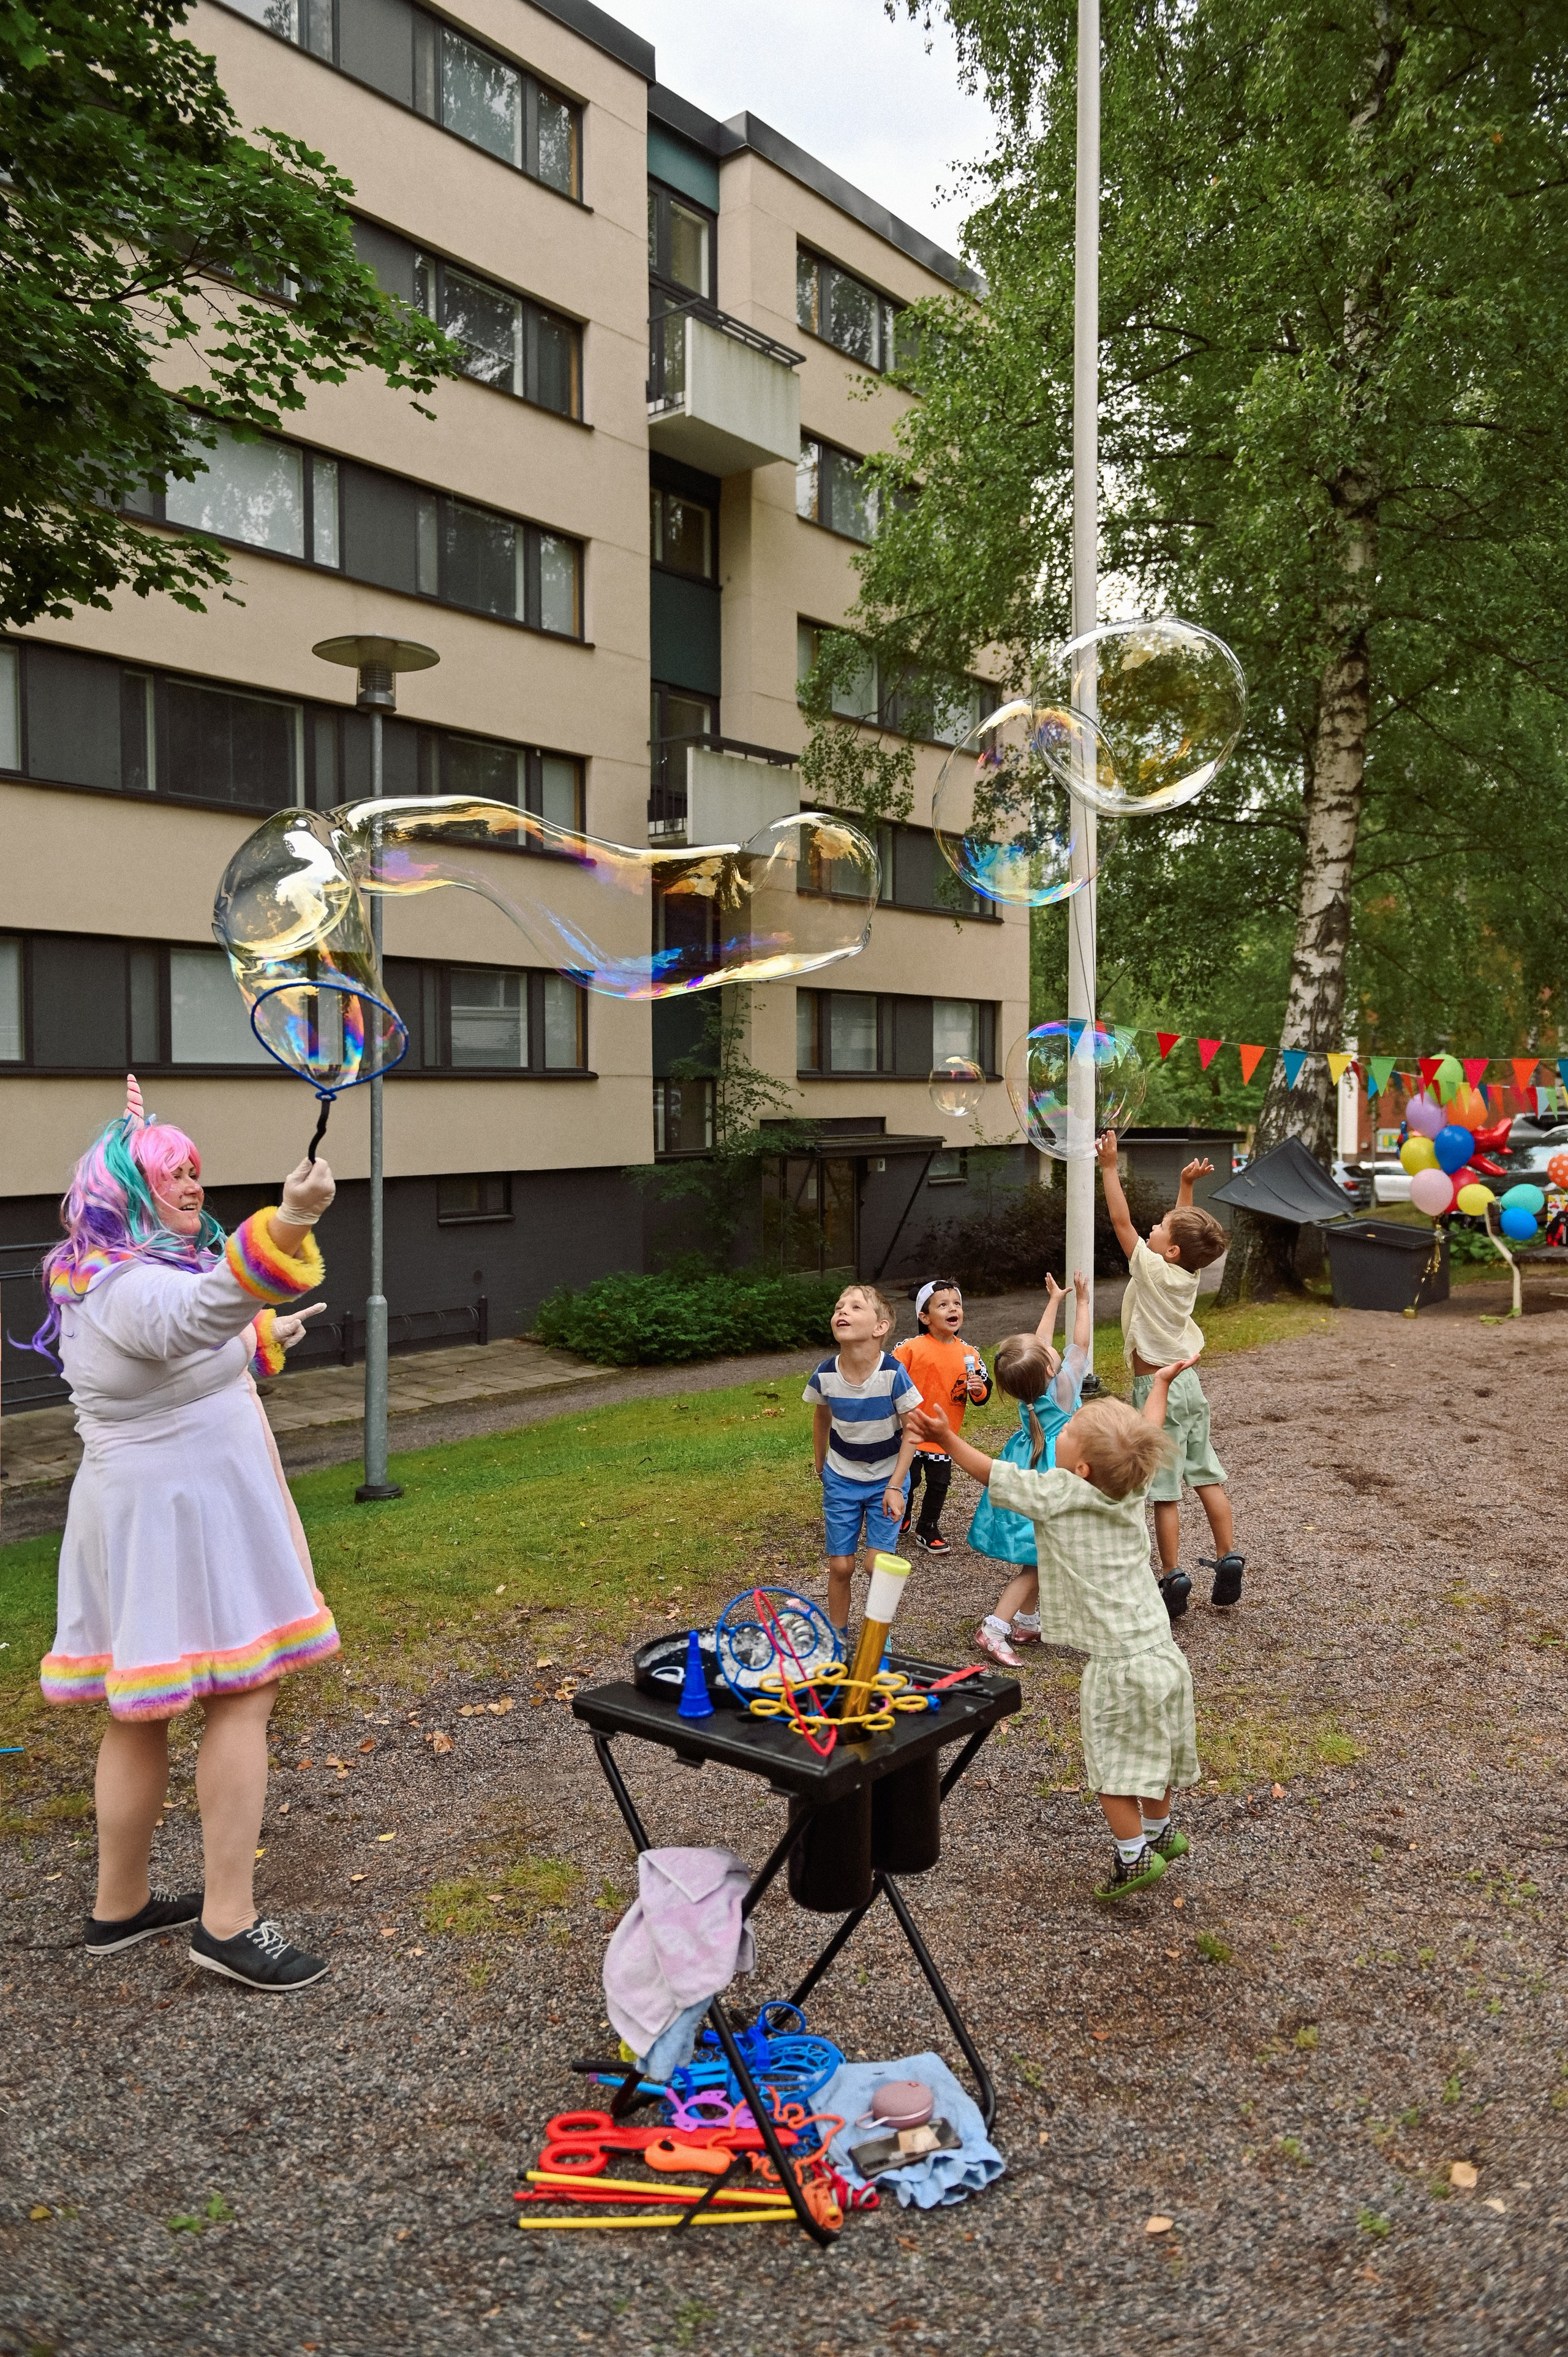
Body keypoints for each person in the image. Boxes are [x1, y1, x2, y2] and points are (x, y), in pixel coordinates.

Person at [32, 1077, 339, 1993]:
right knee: (241, 1694)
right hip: (180, 1516)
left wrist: (264, 1333)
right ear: (125, 1188)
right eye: (173, 1174)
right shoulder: (124, 1283)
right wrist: (286, 1225)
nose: (193, 1186)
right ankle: (228, 1923)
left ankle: (119, 1907)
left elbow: (190, 1344)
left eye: (196, 1171)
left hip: (159, 1510)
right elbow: (188, 1321)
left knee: (143, 1706)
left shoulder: (121, 1274)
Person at [912, 1360, 1201, 1903]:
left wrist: (949, 1437)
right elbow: (1149, 1432)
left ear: (1084, 1468)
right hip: (1164, 1657)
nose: (1061, 1430)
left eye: (1068, 1433)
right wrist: (1158, 1387)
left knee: (1113, 1769)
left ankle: (1133, 1856)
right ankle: (1162, 1831)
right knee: (1151, 1752)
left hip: (1120, 1668)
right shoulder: (1131, 1490)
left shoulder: (1062, 1495)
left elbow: (995, 1474)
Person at [1096, 1131, 1245, 1615]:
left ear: (1169, 1250)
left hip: (1154, 1388)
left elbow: (1120, 1220)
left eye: (1157, 1227)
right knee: (1206, 1476)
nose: (1151, 1228)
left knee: (1164, 1491)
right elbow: (1184, 1235)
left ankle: (1172, 1575)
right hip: (1190, 1384)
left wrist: (1110, 1167)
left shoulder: (1151, 1269)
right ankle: (1228, 1559)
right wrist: (1186, 1190)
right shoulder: (1188, 1272)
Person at [968, 1270, 1093, 1665]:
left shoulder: (1030, 1388)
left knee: (1037, 1552)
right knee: (1042, 1558)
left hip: (1028, 1465)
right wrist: (1083, 1303)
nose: (1050, 1348)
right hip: (1057, 1468)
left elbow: (1038, 1347)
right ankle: (994, 1628)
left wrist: (1054, 1301)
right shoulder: (1066, 1386)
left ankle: (1026, 1620)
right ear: (1051, 1370)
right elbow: (1080, 1343)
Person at [802, 1283, 921, 1635]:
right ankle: (837, 1635)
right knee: (840, 1566)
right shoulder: (825, 1374)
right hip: (841, 1476)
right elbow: (822, 1415)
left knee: (877, 1564)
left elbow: (913, 1431)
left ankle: (874, 1637)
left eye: (855, 1307)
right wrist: (820, 1460)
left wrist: (897, 1486)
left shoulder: (893, 1373)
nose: (842, 1312)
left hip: (888, 1479)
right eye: (839, 1307)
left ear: (879, 1327)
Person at [892, 1277, 992, 1553]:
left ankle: (928, 1527)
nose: (954, 1310)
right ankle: (903, 1511)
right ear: (924, 1316)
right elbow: (889, 1378)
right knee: (908, 1480)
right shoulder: (910, 1348)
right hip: (910, 1433)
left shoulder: (969, 1353)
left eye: (957, 1304)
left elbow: (983, 1394)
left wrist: (979, 1389)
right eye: (944, 1305)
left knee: (939, 1484)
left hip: (943, 1437)